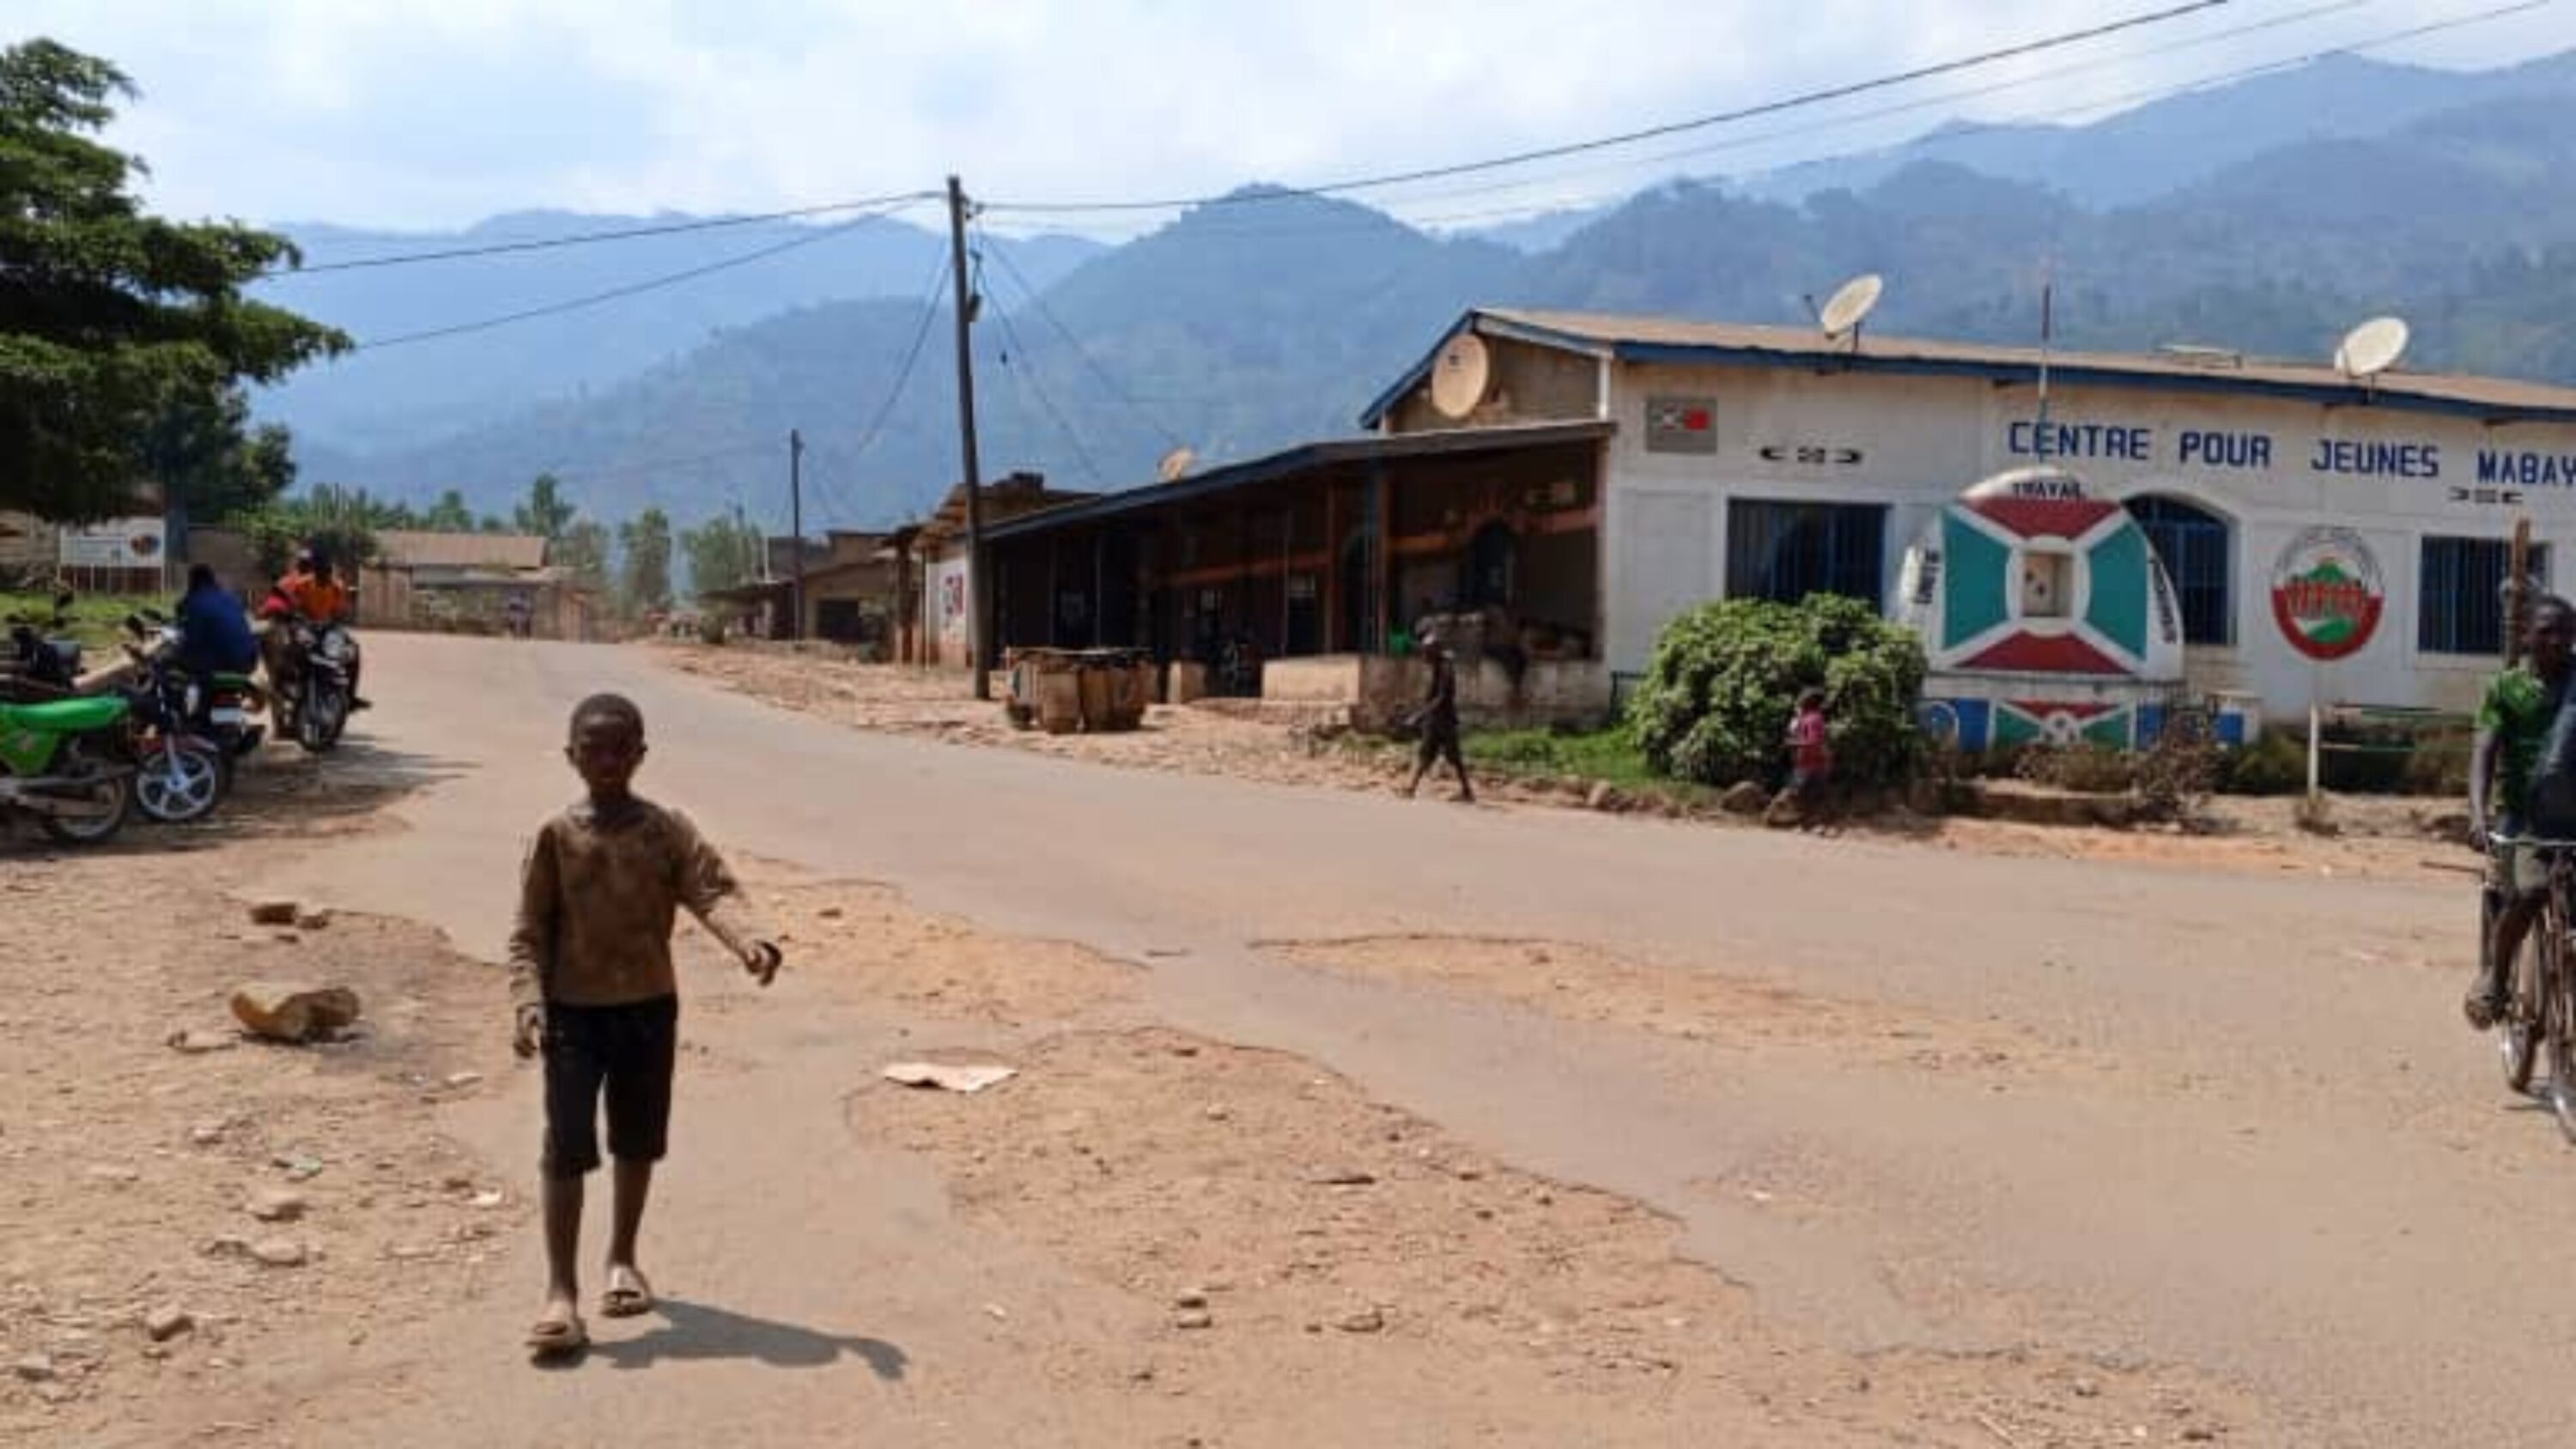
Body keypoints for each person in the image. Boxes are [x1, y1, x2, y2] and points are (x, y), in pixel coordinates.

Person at [507, 694, 782, 1357]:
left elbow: (711, 890)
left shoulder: (666, 831)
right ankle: (561, 1294)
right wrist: (528, 1001)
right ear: (571, 755)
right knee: (566, 1146)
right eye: (593, 748)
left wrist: (749, 941)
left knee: (637, 1141)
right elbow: (528, 932)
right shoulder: (556, 835)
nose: (607, 759)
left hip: (649, 1009)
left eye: (620, 747)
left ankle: (623, 1259)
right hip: (573, 1015)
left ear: (640, 755)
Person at [2467, 594, 2576, 1028]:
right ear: (2527, 635)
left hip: (2572, 812)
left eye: (2566, 632)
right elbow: (2483, 753)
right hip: (2524, 816)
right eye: (2546, 631)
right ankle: (2497, 972)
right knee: (2530, 892)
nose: (2557, 640)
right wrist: (2478, 815)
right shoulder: (2506, 688)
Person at [1402, 632, 1473, 803]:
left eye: (1426, 651)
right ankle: (1411, 788)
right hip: (1435, 719)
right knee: (1426, 753)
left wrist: (1419, 715)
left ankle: (1467, 792)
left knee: (1454, 757)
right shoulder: (1437, 665)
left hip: (1445, 719)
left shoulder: (1445, 668)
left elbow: (1442, 697)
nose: (1424, 655)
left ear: (1435, 651)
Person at [173, 565, 258, 679]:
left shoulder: (194, 603)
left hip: (220, 664)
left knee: (174, 662)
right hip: (249, 661)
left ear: (193, 582)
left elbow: (192, 638)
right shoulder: (231, 598)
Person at [1785, 688, 1833, 815]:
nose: (1800, 700)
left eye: (1803, 698)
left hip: (1811, 762)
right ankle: (1811, 821)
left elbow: (1813, 741)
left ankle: (1808, 821)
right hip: (1809, 761)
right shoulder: (1808, 717)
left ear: (1810, 702)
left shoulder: (1813, 719)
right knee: (1808, 792)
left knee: (1800, 792)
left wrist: (1793, 743)